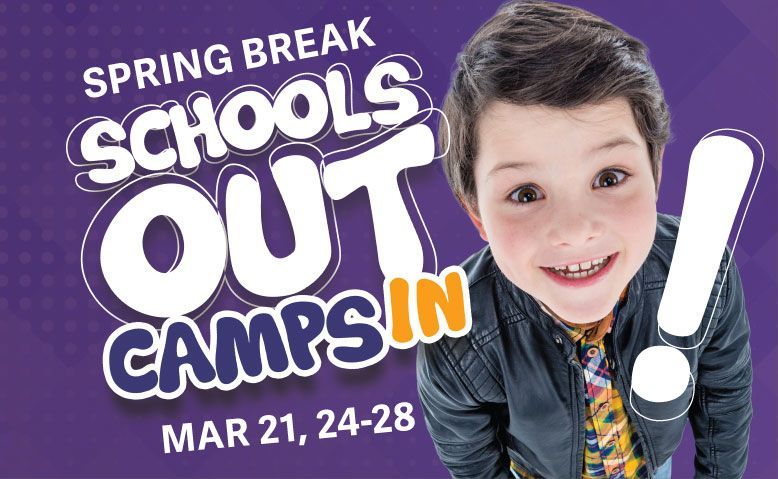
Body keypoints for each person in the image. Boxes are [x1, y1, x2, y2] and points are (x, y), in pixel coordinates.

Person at [416, 1, 752, 478]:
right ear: (477, 216)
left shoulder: (703, 271)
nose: (576, 231)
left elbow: (725, 398)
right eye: (526, 193)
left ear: (655, 173)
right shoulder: (456, 337)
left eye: (610, 177)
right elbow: (472, 461)